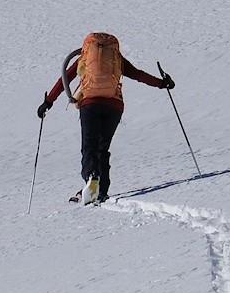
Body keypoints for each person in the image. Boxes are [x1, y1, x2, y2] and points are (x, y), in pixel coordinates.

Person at [37, 32, 172, 203]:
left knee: (89, 146)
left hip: (90, 104)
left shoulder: (84, 58)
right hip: (114, 106)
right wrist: (162, 83)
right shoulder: (115, 59)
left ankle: (92, 178)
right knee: (102, 147)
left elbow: (64, 79)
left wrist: (48, 102)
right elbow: (138, 74)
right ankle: (101, 190)